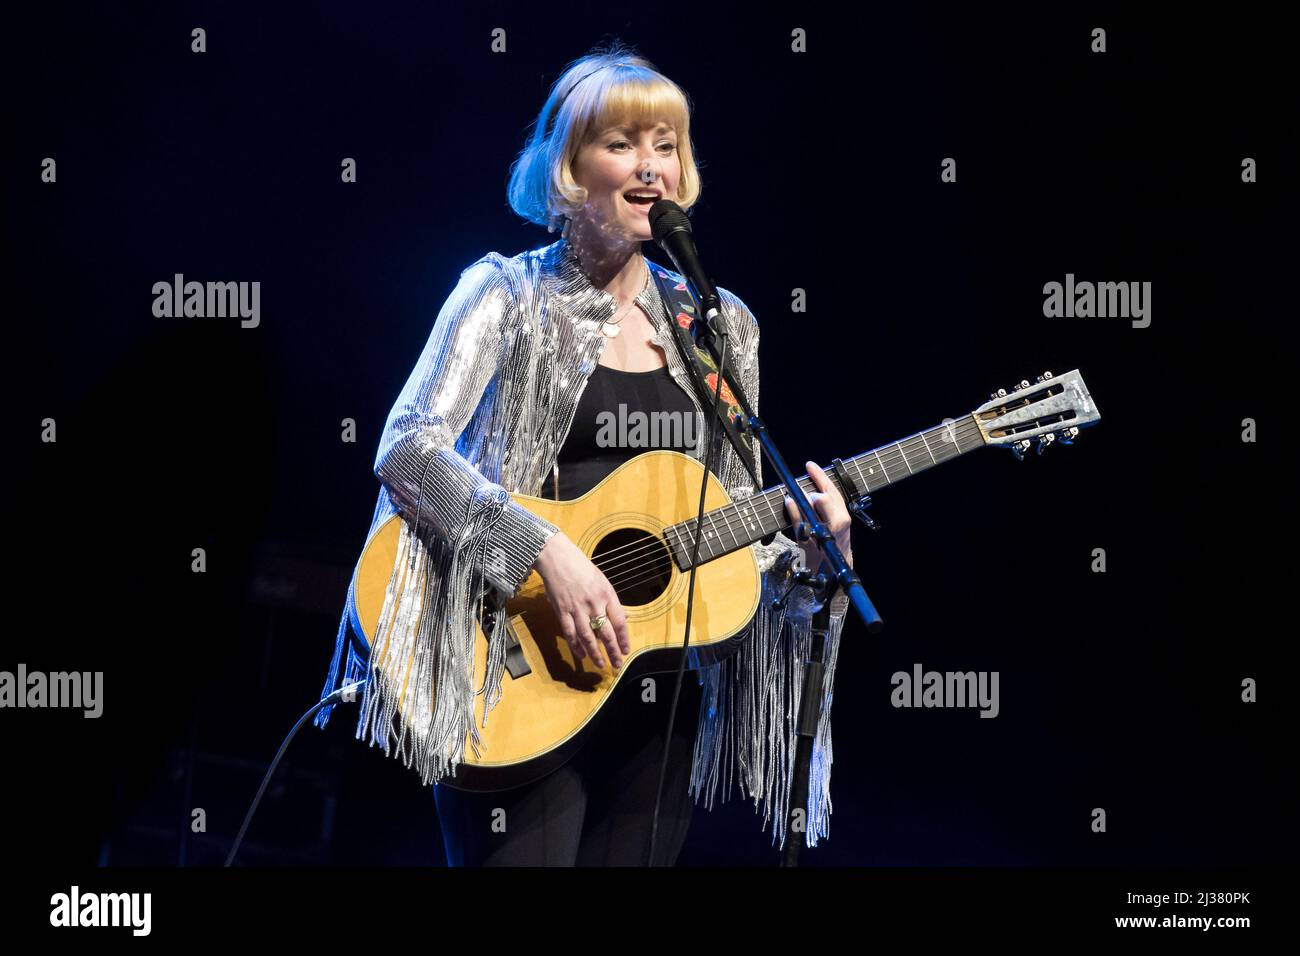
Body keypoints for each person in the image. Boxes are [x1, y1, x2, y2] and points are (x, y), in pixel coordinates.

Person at [313, 41, 853, 866]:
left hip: (657, 685)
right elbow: (408, 450)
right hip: (514, 665)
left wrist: (813, 557)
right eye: (622, 144)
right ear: (570, 171)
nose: (652, 167)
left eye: (667, 146)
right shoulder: (505, 294)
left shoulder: (720, 326)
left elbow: (740, 529)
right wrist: (544, 554)